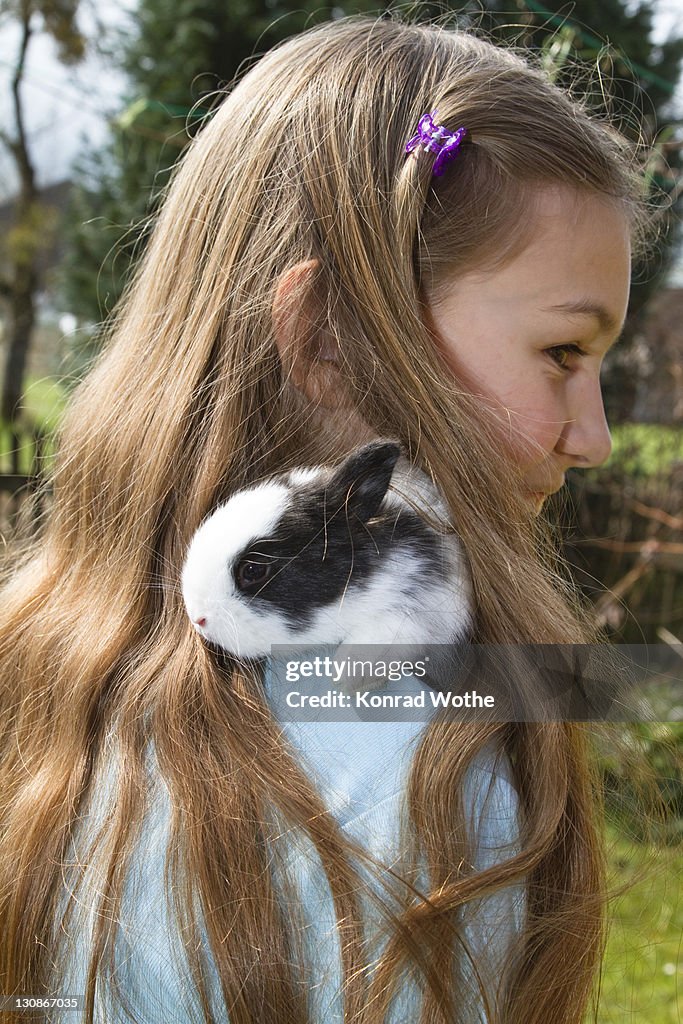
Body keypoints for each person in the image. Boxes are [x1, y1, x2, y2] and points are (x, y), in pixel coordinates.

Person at [0, 12, 656, 1024]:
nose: (593, 437)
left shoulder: (46, 681)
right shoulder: (438, 784)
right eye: (563, 353)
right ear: (329, 342)